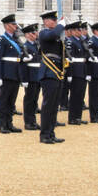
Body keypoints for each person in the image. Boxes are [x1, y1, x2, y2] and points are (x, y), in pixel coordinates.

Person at [37, 11, 65, 145]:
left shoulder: (57, 35)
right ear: (46, 21)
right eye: (52, 20)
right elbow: (53, 34)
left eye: (56, 20)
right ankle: (44, 135)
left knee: (54, 106)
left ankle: (51, 133)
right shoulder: (44, 33)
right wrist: (61, 25)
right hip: (48, 72)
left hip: (56, 72)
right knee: (48, 106)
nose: (54, 22)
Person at [0, 14, 23, 133]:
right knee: (4, 100)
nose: (15, 26)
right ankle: (2, 125)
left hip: (15, 73)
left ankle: (9, 123)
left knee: (12, 101)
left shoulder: (16, 39)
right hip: (6, 74)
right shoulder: (2, 39)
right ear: (7, 26)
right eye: (13, 24)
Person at [21, 23, 42, 131]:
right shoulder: (26, 47)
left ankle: (33, 121)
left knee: (34, 100)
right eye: (33, 33)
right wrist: (24, 79)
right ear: (28, 35)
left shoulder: (35, 45)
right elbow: (23, 65)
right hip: (30, 76)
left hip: (37, 75)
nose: (36, 34)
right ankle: (28, 122)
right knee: (29, 100)